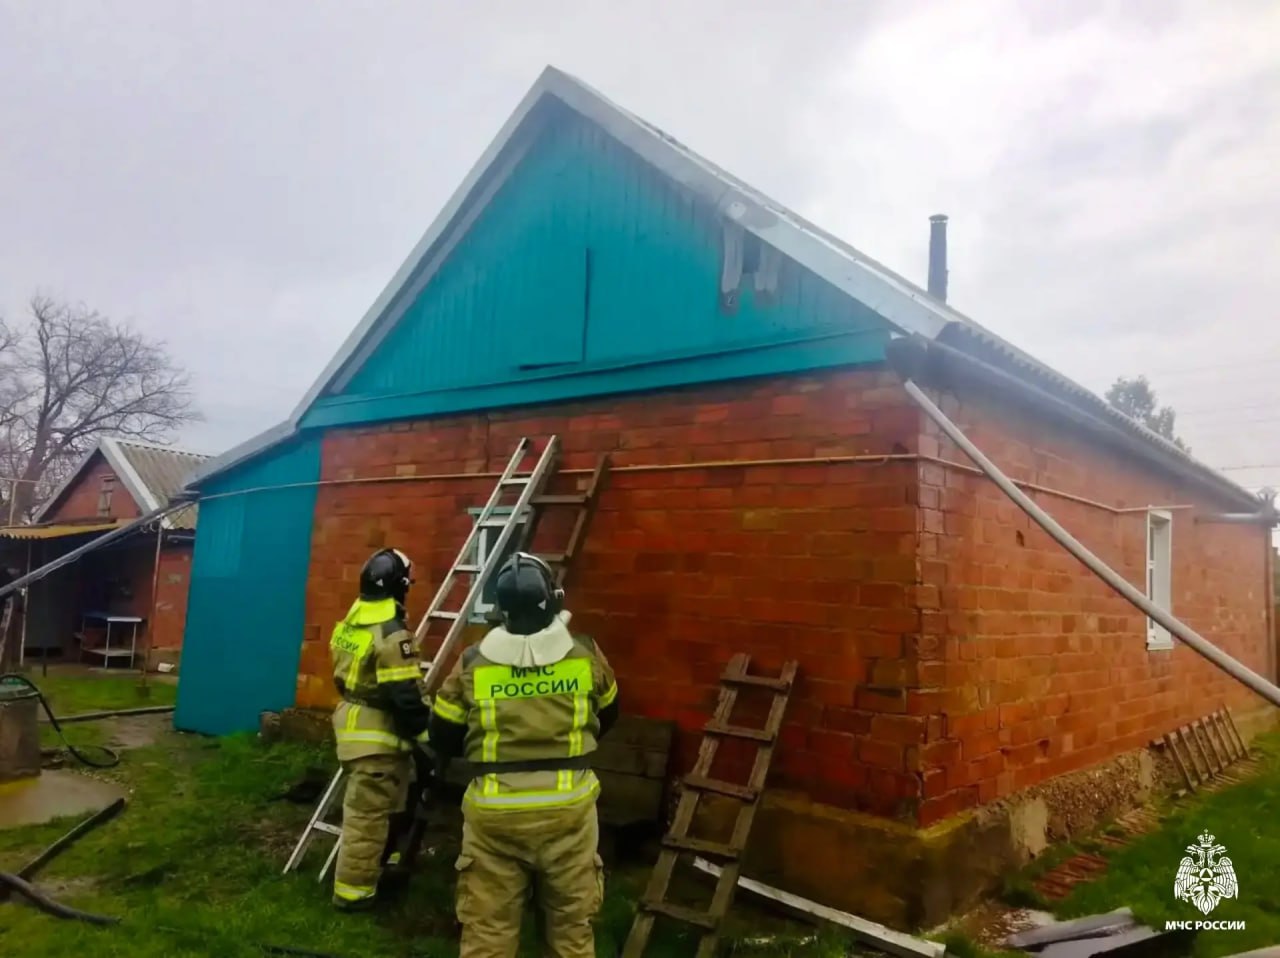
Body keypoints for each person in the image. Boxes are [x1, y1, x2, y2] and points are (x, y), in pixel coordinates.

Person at [429, 552, 619, 958]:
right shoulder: (585, 654)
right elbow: (611, 713)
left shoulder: (472, 663)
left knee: (488, 932)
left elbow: (442, 735)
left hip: (495, 812)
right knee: (571, 929)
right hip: (569, 811)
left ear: (500, 609)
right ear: (554, 599)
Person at [329, 547, 432, 910]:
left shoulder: (350, 622)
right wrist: (427, 735)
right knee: (366, 820)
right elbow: (404, 694)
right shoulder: (391, 633)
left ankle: (384, 864)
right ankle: (352, 895)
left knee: (392, 804)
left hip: (353, 725)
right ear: (400, 586)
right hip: (377, 737)